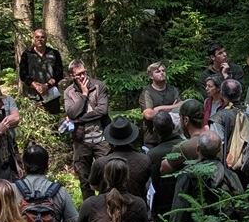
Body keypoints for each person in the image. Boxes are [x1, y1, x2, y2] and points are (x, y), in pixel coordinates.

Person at [171, 130, 243, 222]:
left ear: (198, 149)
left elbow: (179, 210)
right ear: (219, 150)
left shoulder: (187, 175)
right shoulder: (230, 176)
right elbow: (243, 209)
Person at [63, 59, 110, 188]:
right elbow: (72, 113)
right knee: (84, 179)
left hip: (102, 138)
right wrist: (84, 95)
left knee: (107, 176)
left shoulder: (99, 86)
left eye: (83, 72)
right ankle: (89, 201)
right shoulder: (69, 92)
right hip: (81, 140)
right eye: (78, 74)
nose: (83, 76)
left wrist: (78, 119)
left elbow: (102, 110)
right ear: (72, 75)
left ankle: (106, 200)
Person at [91, 116, 151, 199]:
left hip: (107, 205)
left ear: (110, 137)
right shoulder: (145, 160)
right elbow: (149, 183)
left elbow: (94, 186)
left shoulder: (99, 163)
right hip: (137, 204)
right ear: (131, 135)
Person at [146, 114, 183, 222]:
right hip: (185, 201)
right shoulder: (186, 146)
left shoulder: (152, 155)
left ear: (154, 130)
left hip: (163, 207)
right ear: (173, 126)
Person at [139, 61, 182, 146]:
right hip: (153, 139)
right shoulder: (147, 92)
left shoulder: (173, 90)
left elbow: (182, 105)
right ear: (151, 76)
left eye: (163, 71)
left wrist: (159, 108)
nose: (162, 73)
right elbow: (149, 115)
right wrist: (173, 108)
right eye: (158, 71)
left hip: (173, 136)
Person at [20, 27, 65, 109]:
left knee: (54, 116)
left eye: (42, 37)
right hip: (33, 96)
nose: (40, 39)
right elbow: (23, 74)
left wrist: (47, 86)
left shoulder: (54, 53)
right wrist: (36, 86)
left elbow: (59, 73)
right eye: (37, 37)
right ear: (33, 39)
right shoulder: (26, 54)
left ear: (46, 39)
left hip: (52, 95)